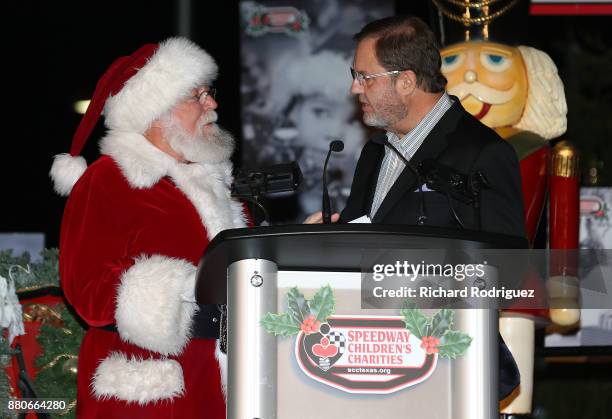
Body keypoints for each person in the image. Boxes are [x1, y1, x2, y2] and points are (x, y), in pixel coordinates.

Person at [305, 15, 524, 399]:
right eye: (354, 75)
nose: (355, 88)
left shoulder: (483, 153)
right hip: (370, 361)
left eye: (365, 77)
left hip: (450, 370)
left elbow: (509, 277)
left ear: (405, 81)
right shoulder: (375, 151)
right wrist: (327, 243)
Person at [49, 38, 247, 418]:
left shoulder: (209, 183)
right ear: (157, 112)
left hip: (216, 381)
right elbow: (88, 293)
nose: (213, 105)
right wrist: (187, 286)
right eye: (198, 96)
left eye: (209, 93)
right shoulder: (108, 180)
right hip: (149, 394)